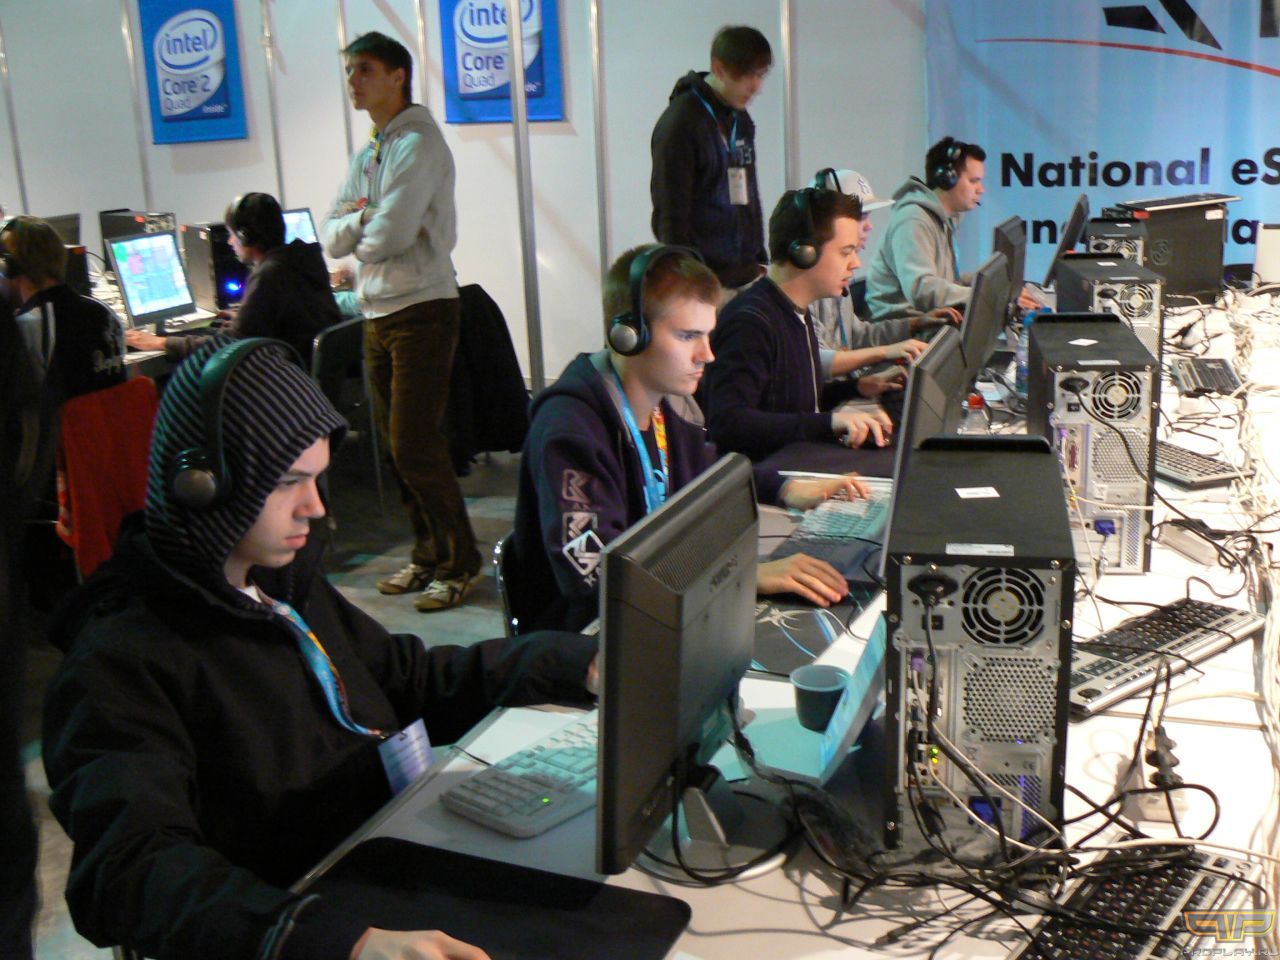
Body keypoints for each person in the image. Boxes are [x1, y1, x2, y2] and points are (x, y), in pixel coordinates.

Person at [42, 337, 598, 960]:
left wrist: (578, 664)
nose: (315, 506)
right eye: (290, 482)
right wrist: (339, 944)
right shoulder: (121, 659)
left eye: (316, 477)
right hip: (298, 922)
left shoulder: (279, 583)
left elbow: (408, 680)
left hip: (378, 862)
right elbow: (128, 872)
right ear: (201, 485)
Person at [510, 244, 867, 633]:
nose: (707, 355)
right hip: (595, 639)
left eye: (708, 335)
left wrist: (787, 488)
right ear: (629, 336)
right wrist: (741, 575)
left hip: (665, 607)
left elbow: (707, 474)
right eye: (687, 336)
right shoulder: (571, 429)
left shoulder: (666, 405)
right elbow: (594, 579)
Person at [322, 31, 481, 611]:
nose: (353, 81)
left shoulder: (418, 143)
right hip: (378, 311)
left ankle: (460, 563)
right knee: (394, 447)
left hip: (422, 310)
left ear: (397, 76)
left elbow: (386, 235)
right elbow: (330, 232)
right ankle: (427, 555)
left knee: (415, 444)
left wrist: (362, 228)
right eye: (350, 71)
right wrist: (363, 221)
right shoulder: (372, 150)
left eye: (365, 69)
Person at [702, 188, 901, 464]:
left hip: (800, 462)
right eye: (846, 252)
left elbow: (792, 404)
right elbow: (729, 423)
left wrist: (856, 388)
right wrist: (829, 422)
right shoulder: (750, 322)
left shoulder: (797, 312)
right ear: (804, 253)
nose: (856, 263)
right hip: (772, 479)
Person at [126, 192, 341, 366]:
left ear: (245, 236)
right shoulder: (305, 258)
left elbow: (228, 346)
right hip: (314, 375)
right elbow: (290, 315)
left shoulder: (269, 274)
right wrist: (247, 317)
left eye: (231, 234)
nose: (229, 242)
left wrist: (162, 343)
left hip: (289, 381)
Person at [650, 25, 771, 296]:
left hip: (746, 274)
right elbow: (671, 212)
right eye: (747, 75)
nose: (756, 86)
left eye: (760, 75)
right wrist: (686, 282)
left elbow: (749, 193)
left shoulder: (740, 119)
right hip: (706, 283)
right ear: (719, 68)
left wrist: (760, 258)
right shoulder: (681, 123)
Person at [866, 137, 1041, 321]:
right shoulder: (913, 220)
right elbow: (922, 289)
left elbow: (947, 281)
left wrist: (997, 288)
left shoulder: (943, 219)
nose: (981, 190)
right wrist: (989, 297)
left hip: (931, 320)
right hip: (906, 327)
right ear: (947, 179)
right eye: (973, 181)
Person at [808, 167, 959, 351]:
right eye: (862, 217)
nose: (869, 226)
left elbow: (857, 336)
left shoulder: (840, 278)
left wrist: (916, 324)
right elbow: (819, 359)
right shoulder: (811, 286)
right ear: (826, 221)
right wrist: (884, 354)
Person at [2, 216, 124, 405]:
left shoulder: (29, 327)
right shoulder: (105, 312)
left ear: (9, 268)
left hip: (67, 424)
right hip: (112, 422)